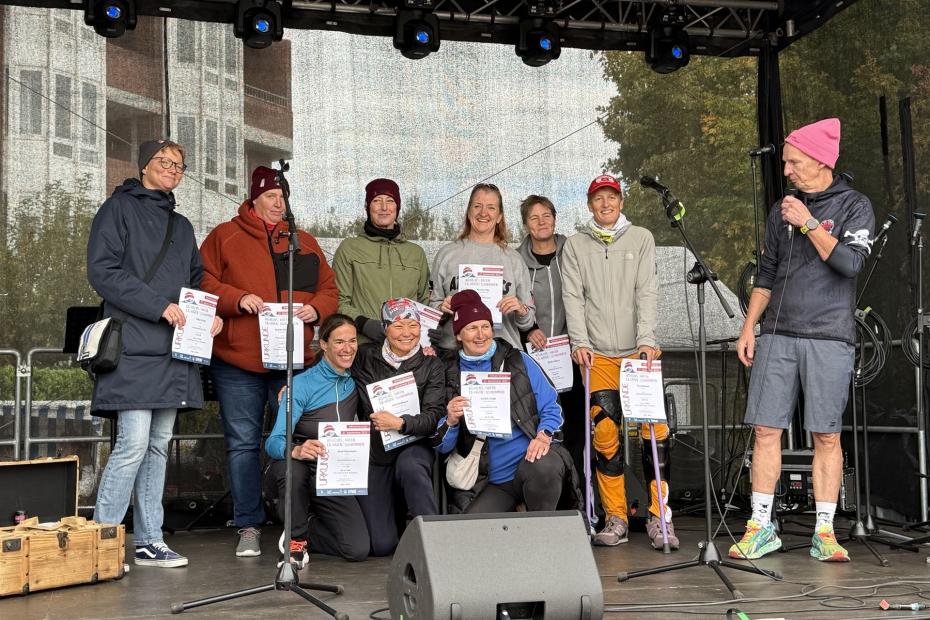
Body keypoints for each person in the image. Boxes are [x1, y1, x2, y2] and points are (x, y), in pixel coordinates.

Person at [729, 118, 874, 562]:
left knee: (825, 434)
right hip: (777, 333)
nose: (787, 170)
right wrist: (749, 326)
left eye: (793, 162)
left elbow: (850, 264)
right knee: (765, 429)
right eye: (786, 163)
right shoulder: (781, 209)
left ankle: (824, 533)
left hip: (829, 336)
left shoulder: (854, 205)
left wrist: (810, 223)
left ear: (820, 160)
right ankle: (760, 527)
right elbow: (767, 274)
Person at [88, 139, 222, 567]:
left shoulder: (182, 226)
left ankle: (149, 539)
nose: (172, 168)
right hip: (133, 345)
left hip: (173, 350)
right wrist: (158, 306)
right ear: (144, 166)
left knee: (159, 445)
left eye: (179, 165)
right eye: (164, 161)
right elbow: (102, 271)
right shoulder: (117, 209)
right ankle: (103, 541)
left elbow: (196, 282)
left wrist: (208, 317)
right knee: (132, 444)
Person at [200, 165, 338, 558]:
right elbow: (201, 281)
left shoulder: (303, 241)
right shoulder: (224, 236)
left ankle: (296, 524)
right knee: (243, 444)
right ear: (254, 198)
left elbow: (330, 290)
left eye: (283, 197)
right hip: (237, 363)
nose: (279, 204)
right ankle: (248, 524)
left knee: (296, 440)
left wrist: (316, 309)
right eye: (271, 197)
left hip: (292, 363)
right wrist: (236, 298)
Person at [561, 174, 678, 549]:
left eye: (611, 197)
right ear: (589, 205)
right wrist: (580, 342)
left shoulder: (641, 238)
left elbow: (647, 291)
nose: (605, 204)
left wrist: (646, 340)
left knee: (654, 435)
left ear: (621, 202)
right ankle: (616, 517)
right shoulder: (576, 245)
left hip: (637, 352)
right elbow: (572, 297)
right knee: (606, 434)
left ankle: (660, 517)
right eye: (598, 198)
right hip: (598, 356)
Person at [434, 290, 581, 514]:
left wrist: (544, 435)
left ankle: (540, 527)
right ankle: (518, 510)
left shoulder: (518, 360)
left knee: (545, 467)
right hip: (492, 480)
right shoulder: (447, 372)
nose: (480, 335)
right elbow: (441, 445)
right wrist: (451, 421)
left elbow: (552, 406)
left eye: (485, 326)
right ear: (458, 335)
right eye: (472, 328)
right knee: (473, 530)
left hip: (531, 462)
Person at [264, 314, 368, 567]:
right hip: (298, 463)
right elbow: (273, 442)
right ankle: (295, 539)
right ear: (323, 344)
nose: (348, 348)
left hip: (334, 470)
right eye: (339, 342)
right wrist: (297, 450)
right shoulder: (301, 384)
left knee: (358, 549)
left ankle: (307, 524)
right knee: (294, 471)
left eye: (352, 341)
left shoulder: (358, 375)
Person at [352, 298, 445, 555]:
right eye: (398, 325)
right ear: (385, 328)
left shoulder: (431, 364)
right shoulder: (364, 356)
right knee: (380, 545)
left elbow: (434, 416)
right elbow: (331, 363)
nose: (407, 333)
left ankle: (431, 542)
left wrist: (401, 423)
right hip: (377, 451)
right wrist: (295, 387)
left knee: (411, 466)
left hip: (414, 445)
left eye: (413, 325)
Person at [516, 195, 586, 473]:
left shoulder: (574, 252)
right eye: (534, 217)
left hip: (572, 352)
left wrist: (577, 337)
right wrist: (528, 329)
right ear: (525, 224)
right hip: (536, 354)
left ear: (555, 219)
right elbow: (512, 302)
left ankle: (576, 484)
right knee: (541, 423)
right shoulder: (515, 260)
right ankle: (546, 484)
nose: (541, 222)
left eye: (546, 215)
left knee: (575, 424)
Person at [430, 183, 536, 351]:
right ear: (468, 212)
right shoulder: (446, 255)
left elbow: (528, 322)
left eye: (491, 207)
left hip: (504, 353)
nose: (483, 213)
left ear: (499, 216)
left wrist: (520, 310)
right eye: (477, 206)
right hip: (454, 354)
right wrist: (441, 309)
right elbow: (431, 312)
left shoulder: (514, 259)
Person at [332, 178, 431, 343]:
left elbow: (424, 301)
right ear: (367, 207)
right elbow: (338, 300)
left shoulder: (416, 253)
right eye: (377, 200)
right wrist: (363, 323)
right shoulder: (349, 248)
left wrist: (432, 330)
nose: (384, 207)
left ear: (397, 207)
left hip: (406, 346)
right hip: (364, 345)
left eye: (390, 201)